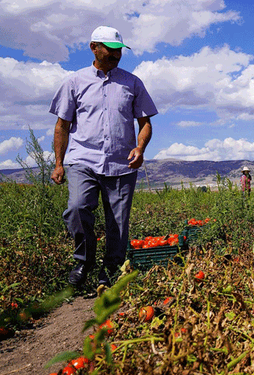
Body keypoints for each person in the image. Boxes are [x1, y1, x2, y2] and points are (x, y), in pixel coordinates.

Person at [49, 26, 158, 287]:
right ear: (94, 47)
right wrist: (59, 163)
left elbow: (145, 123)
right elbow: (62, 125)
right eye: (110, 49)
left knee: (118, 223)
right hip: (83, 159)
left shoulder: (132, 82)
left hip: (122, 162)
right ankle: (84, 261)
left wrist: (140, 148)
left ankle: (110, 270)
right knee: (77, 208)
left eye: (119, 50)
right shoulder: (74, 81)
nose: (116, 55)